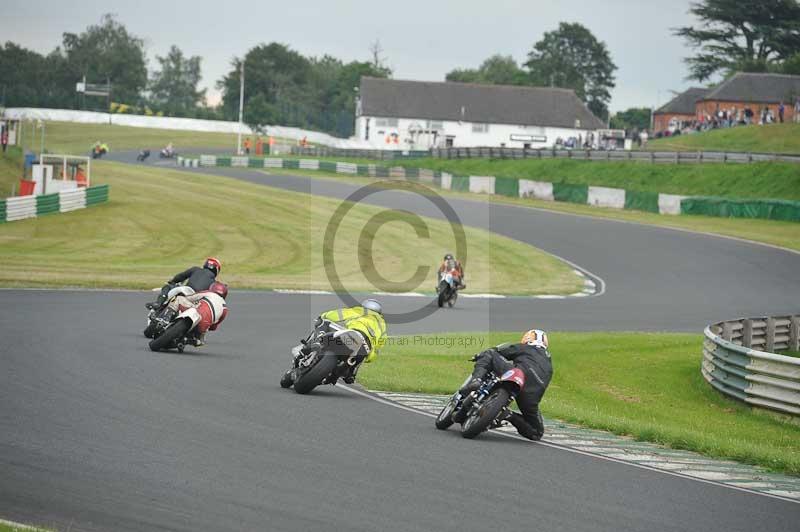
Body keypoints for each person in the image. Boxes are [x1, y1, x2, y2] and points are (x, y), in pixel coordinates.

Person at [460, 329, 553, 440]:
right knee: (536, 432)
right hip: (532, 394)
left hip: (519, 375)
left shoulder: (525, 347)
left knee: (490, 354)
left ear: (528, 338)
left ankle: (477, 380)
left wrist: (480, 355)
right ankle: (509, 415)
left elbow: (501, 352)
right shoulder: (549, 363)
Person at [285, 299, 387, 385]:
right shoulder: (382, 325)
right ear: (379, 313)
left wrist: (324, 316)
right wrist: (368, 357)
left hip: (350, 335)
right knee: (355, 365)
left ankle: (317, 340)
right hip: (363, 347)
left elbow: (334, 315)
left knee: (324, 321)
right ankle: (350, 373)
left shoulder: (360, 311)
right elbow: (378, 348)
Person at [165, 281, 229, 347]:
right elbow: (214, 326)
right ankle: (187, 340)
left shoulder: (209, 293)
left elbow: (191, 297)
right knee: (200, 340)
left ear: (212, 288)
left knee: (179, 299)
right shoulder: (225, 309)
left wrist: (187, 299)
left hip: (195, 313)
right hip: (202, 327)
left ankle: (165, 318)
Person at [146, 257, 222, 309]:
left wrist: (172, 281)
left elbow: (180, 276)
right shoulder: (214, 282)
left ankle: (158, 303)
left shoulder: (196, 269)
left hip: (186, 291)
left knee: (167, 286)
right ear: (217, 270)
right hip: (197, 299)